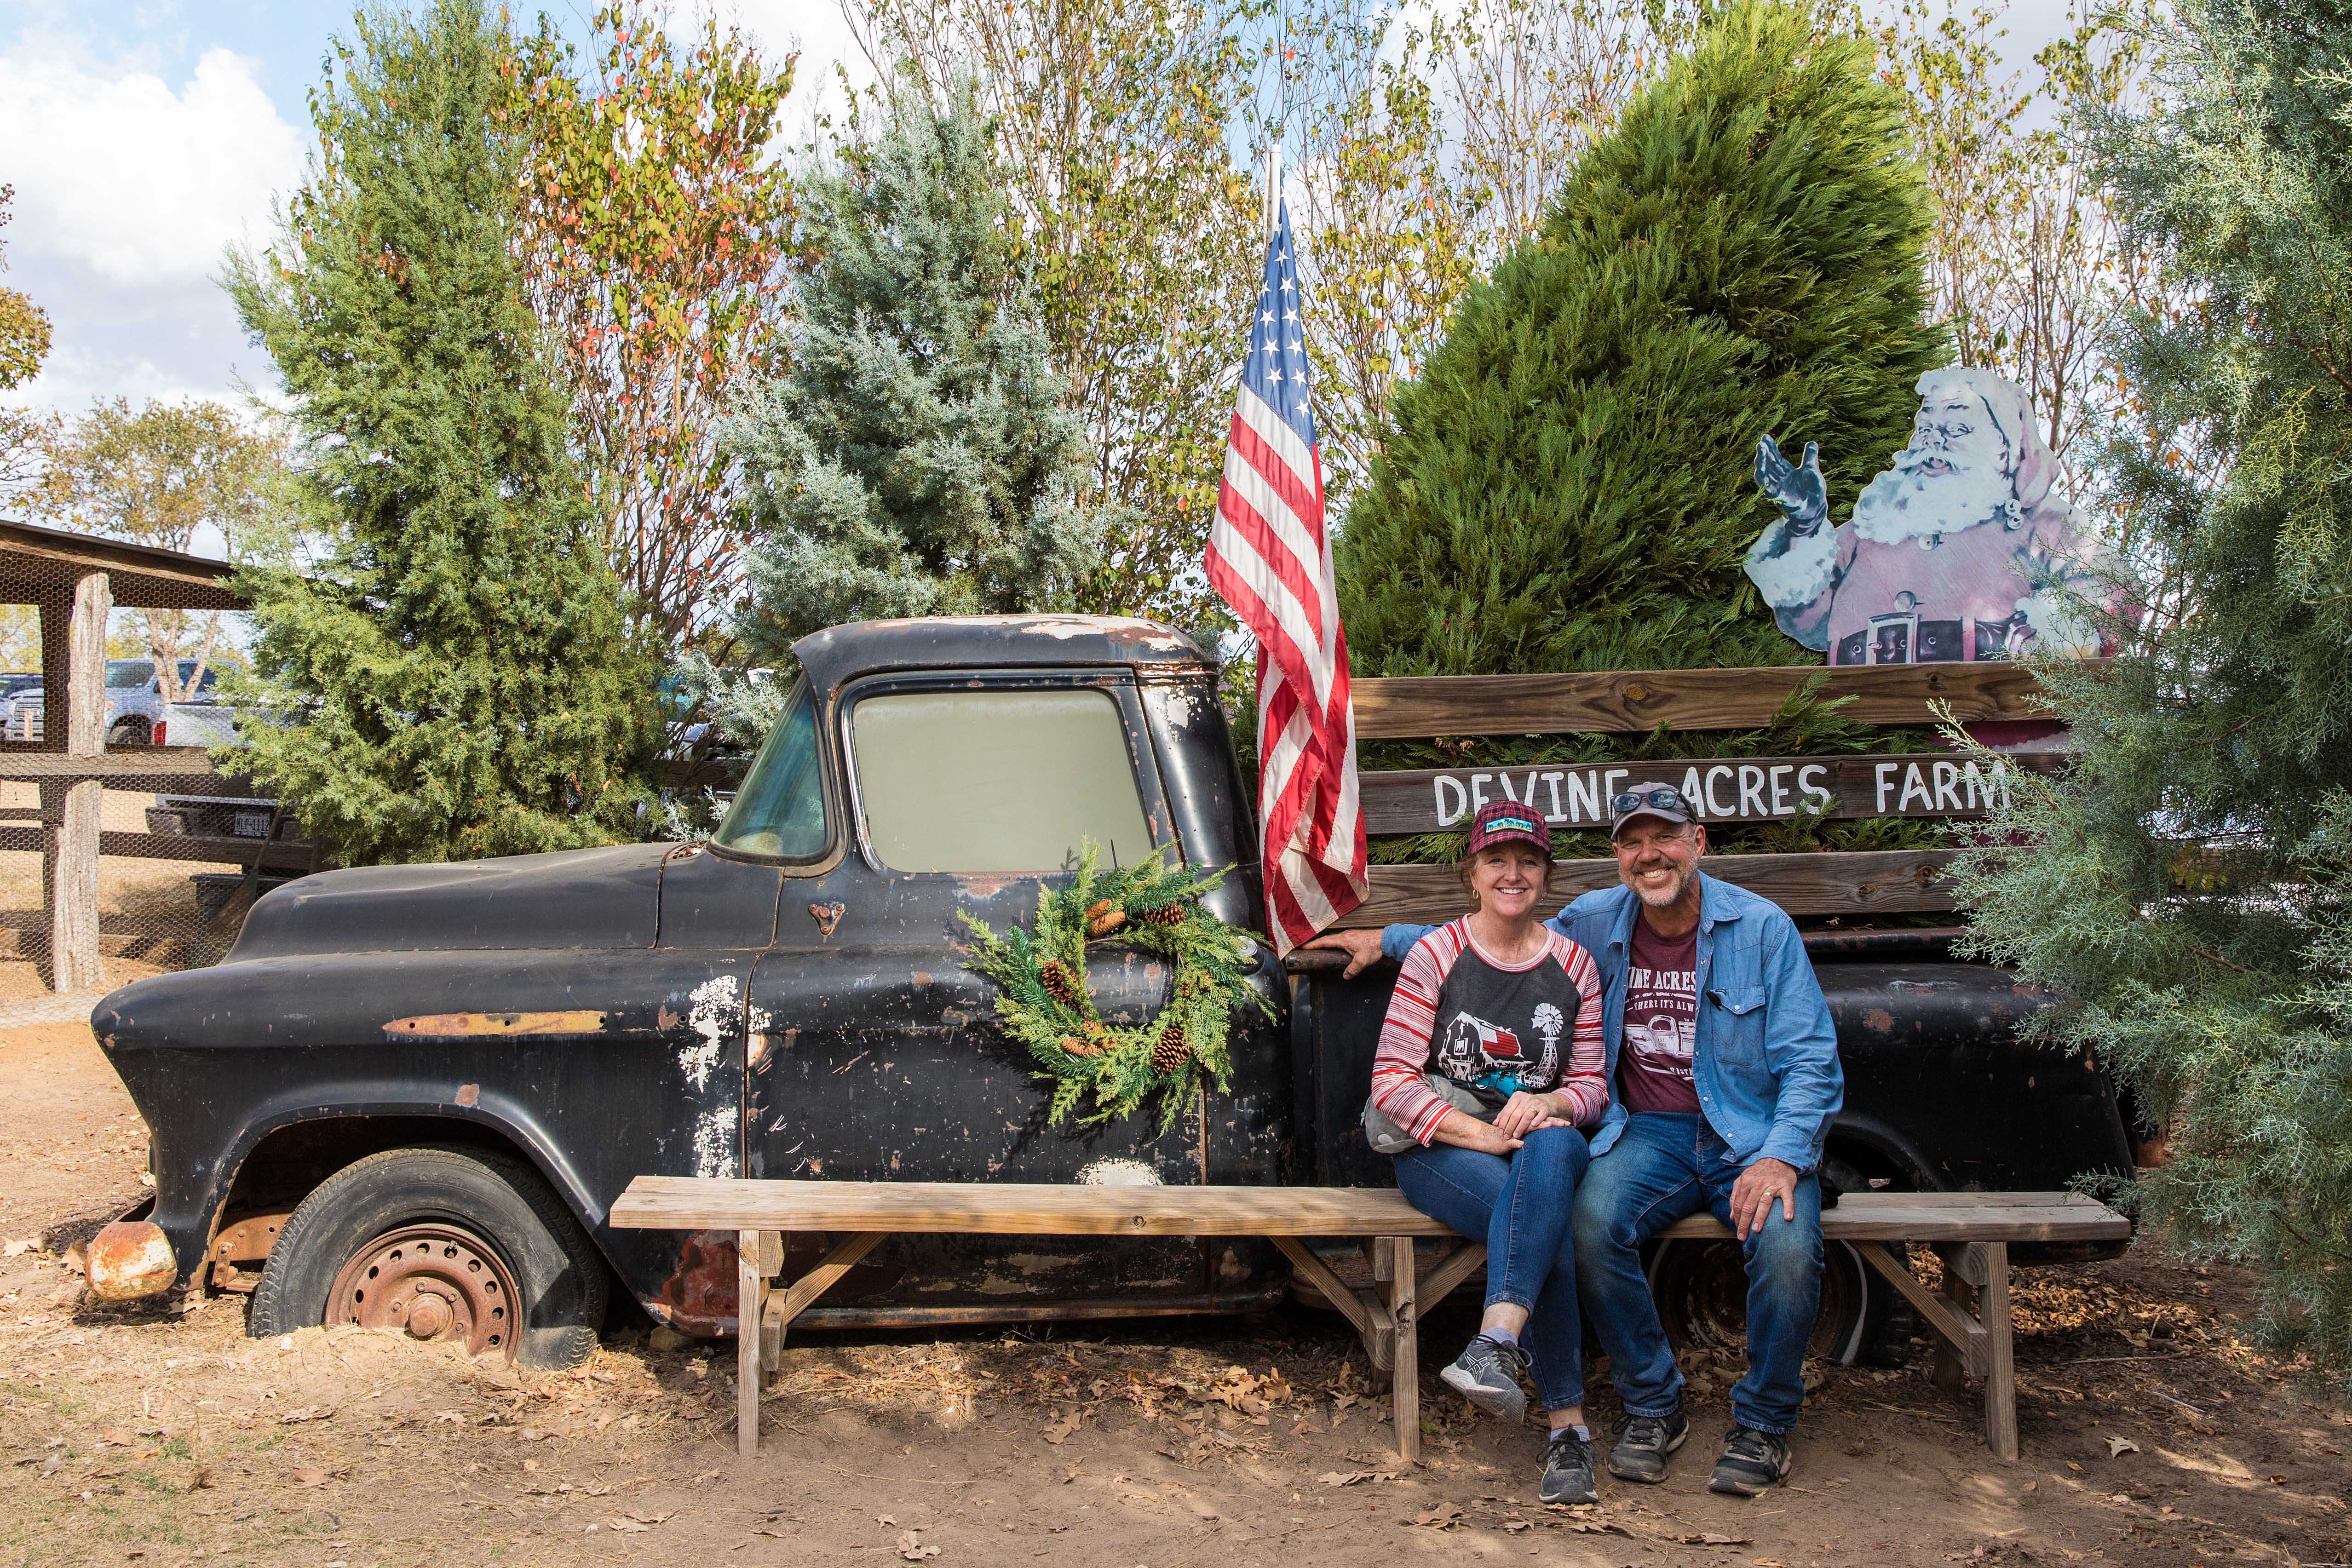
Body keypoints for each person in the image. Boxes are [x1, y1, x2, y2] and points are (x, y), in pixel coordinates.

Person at [1309, 782, 1842, 1499]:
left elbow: (1811, 1058)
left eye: (1665, 837)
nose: (1649, 855)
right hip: (1649, 1132)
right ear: (1617, 854)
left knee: (1783, 1245)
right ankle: (1653, 1405)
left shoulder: (1761, 928)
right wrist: (1388, 939)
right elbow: (1494, 932)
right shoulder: (1596, 921)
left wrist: (1780, 1155)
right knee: (1588, 1223)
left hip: (1749, 1133)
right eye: (1632, 841)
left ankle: (1765, 1423)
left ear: (1698, 842)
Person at [1366, 799, 1608, 1504]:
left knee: (1558, 1148)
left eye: (1528, 860)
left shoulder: (1575, 967)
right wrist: (1482, 1132)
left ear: (1545, 875)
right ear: (1472, 873)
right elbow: (1391, 1080)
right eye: (1497, 860)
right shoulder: (1437, 954)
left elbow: (1591, 1083)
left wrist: (1555, 1103)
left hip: (1538, 1147)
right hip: (1442, 1148)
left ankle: (1493, 1344)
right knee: (1541, 1221)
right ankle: (1569, 1432)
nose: (1513, 873)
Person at [1745, 365, 2108, 665]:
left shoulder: (2045, 523)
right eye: (1926, 428)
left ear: (2004, 447)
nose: (1934, 440)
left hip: (1990, 737)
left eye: (1957, 429)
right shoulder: (1876, 523)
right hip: (1867, 734)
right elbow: (1805, 622)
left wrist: (2045, 636)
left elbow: (2111, 597)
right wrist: (1805, 525)